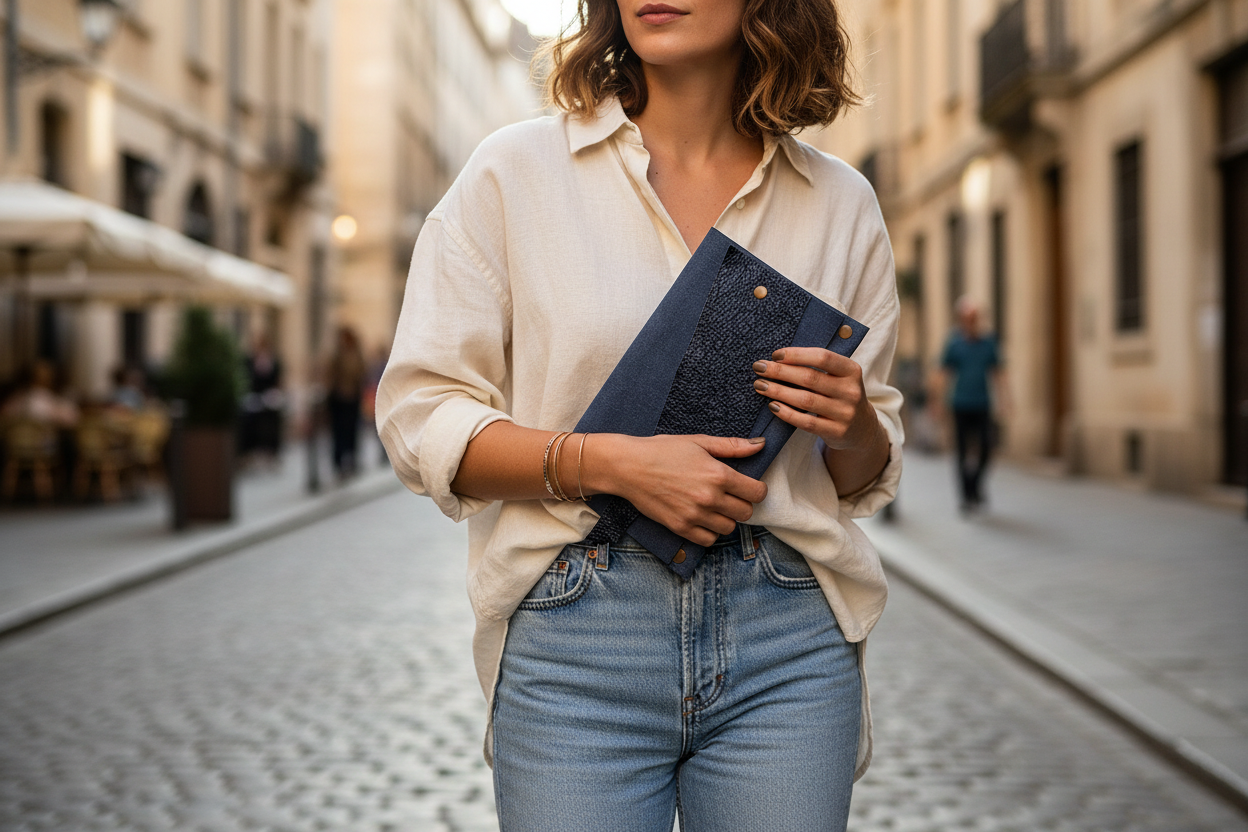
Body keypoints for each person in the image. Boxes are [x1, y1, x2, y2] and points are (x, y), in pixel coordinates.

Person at [376, 1, 903, 829]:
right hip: (580, 636)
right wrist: (606, 463)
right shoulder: (514, 173)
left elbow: (864, 478)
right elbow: (419, 415)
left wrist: (854, 420)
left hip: (787, 638)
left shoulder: (840, 203)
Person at [938, 295, 1006, 513]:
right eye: (967, 318)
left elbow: (998, 373)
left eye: (974, 318)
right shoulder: (954, 343)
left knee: (986, 447)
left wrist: (1005, 400)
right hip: (960, 404)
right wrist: (937, 402)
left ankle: (975, 484)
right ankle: (966, 496)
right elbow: (944, 373)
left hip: (982, 403)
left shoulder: (988, 343)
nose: (971, 322)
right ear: (961, 320)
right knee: (962, 451)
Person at [326, 326, 365, 481]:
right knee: (338, 433)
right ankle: (338, 463)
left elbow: (362, 372)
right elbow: (330, 374)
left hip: (353, 399)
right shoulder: (336, 355)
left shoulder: (356, 355)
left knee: (351, 432)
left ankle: (351, 460)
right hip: (338, 400)